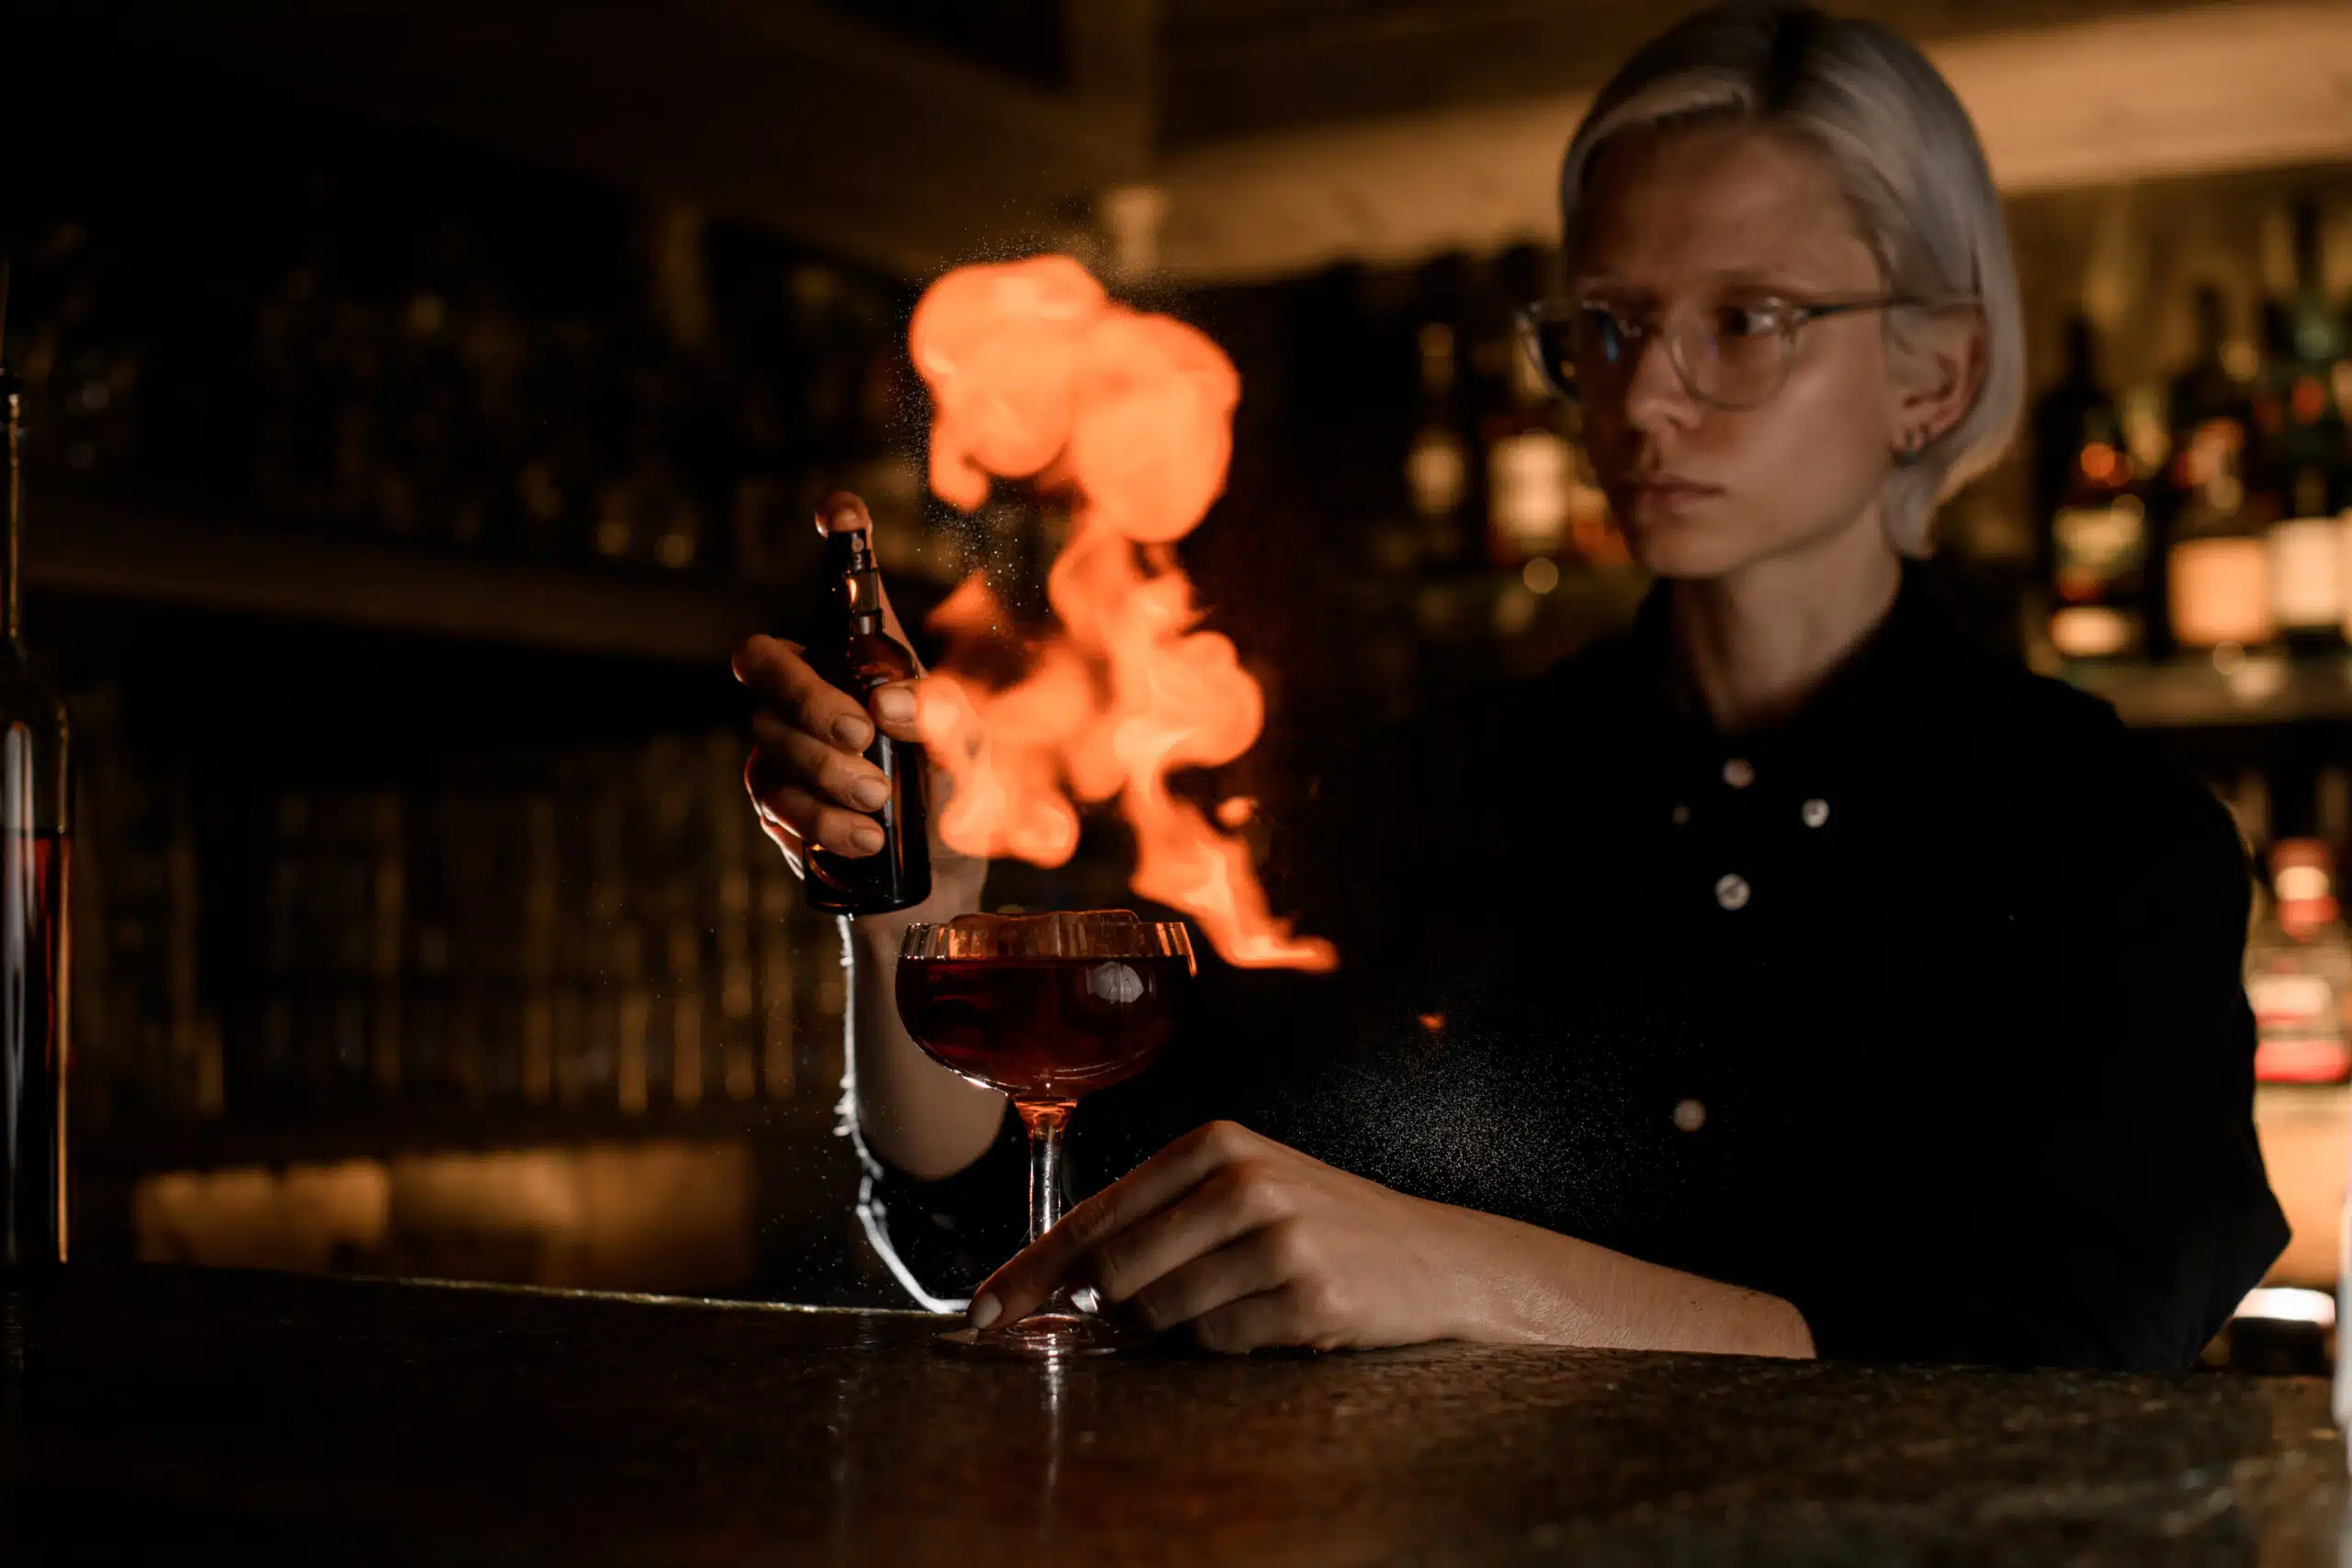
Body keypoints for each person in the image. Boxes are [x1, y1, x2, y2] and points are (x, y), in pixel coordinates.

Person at [732, 2, 2286, 1371]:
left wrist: (1468, 1276)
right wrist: (911, 918)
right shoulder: (1440, 791)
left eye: (1745, 320)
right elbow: (1013, 1240)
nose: (1644, 397)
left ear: (1935, 375)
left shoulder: (2105, 839)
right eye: (1605, 327)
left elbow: (2078, 1340)